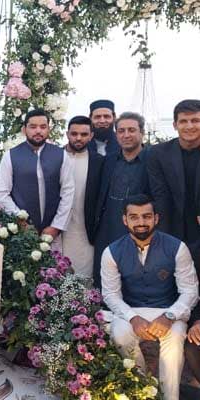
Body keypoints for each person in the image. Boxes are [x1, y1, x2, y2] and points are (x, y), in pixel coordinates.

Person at [101, 194, 198, 400]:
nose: (141, 222)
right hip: (131, 310)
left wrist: (169, 316)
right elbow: (110, 294)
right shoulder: (111, 252)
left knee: (173, 344)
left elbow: (190, 290)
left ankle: (170, 396)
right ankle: (143, 388)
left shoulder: (177, 247)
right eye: (134, 217)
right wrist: (132, 318)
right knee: (120, 335)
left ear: (156, 218)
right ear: (125, 220)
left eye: (146, 216)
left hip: (168, 310)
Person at [147, 100, 200, 389]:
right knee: (175, 283)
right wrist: (164, 239)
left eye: (196, 121)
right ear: (176, 123)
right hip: (172, 230)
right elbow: (159, 195)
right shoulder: (159, 153)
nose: (190, 127)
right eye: (184, 121)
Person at [0, 108, 75, 249]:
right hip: (21, 230)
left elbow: (68, 192)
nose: (38, 131)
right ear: (24, 129)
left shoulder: (61, 155)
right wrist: (19, 219)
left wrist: (56, 226)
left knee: (52, 269)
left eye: (43, 127)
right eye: (33, 127)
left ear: (48, 129)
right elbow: (1, 193)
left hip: (52, 232)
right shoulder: (10, 156)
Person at [93, 112, 149, 287]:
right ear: (116, 134)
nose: (126, 135)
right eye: (121, 130)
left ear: (142, 133)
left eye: (132, 130)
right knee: (105, 281)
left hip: (141, 232)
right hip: (107, 230)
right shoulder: (107, 162)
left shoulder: (154, 160)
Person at [61, 116, 104, 277]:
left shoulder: (99, 162)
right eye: (74, 133)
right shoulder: (54, 157)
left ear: (91, 136)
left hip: (86, 232)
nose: (78, 138)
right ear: (67, 134)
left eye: (84, 134)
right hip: (57, 231)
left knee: (84, 277)